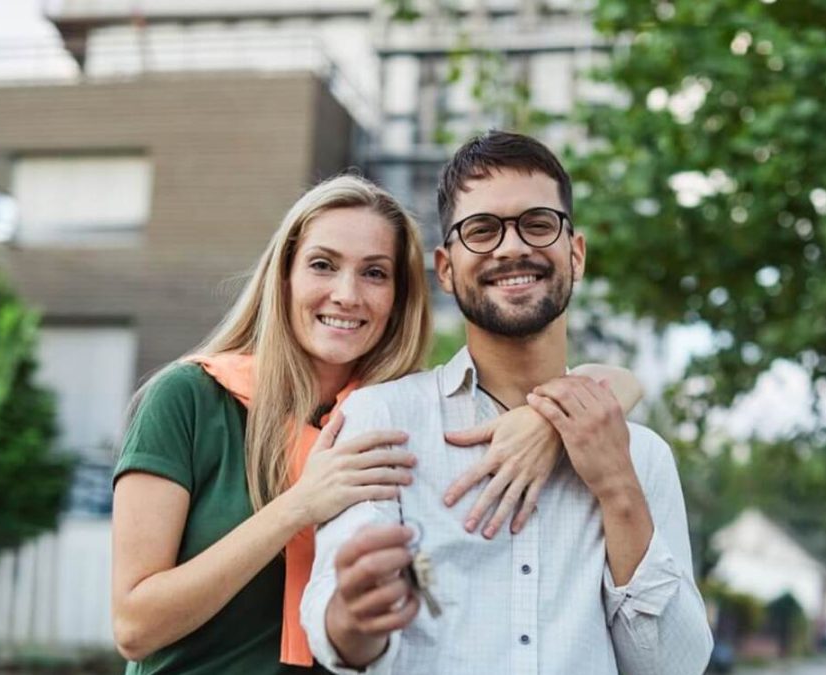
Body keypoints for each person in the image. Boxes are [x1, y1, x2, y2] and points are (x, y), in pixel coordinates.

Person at [110, 174, 643, 674]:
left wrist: (545, 422)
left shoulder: (392, 416)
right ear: (285, 275)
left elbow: (616, 383)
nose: (347, 294)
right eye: (323, 265)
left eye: (374, 273)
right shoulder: (189, 400)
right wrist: (299, 504)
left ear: (398, 298)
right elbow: (135, 627)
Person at [302, 132, 714, 674]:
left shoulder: (644, 457)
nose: (512, 247)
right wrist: (355, 617)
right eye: (482, 230)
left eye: (538, 224)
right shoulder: (383, 420)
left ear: (577, 253)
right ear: (445, 269)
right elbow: (340, 632)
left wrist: (617, 487)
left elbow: (672, 667)